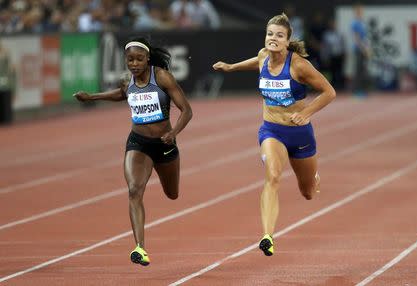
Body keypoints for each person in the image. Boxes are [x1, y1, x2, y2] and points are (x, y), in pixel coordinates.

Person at [212, 13, 336, 256]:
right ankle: (267, 235)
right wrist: (231, 67)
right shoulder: (262, 56)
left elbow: (329, 92)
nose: (273, 39)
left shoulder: (298, 65)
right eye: (270, 34)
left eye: (279, 35)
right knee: (273, 177)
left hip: (300, 134)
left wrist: (308, 113)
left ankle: (313, 178)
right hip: (271, 130)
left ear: (287, 41)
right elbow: (254, 61)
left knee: (308, 192)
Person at [73, 37, 193, 266]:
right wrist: (92, 97)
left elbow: (186, 110)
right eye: (130, 60)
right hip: (138, 143)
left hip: (165, 144)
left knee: (172, 194)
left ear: (147, 58)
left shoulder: (162, 77)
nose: (135, 64)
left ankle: (141, 243)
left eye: (139, 59)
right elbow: (121, 93)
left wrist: (174, 131)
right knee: (134, 190)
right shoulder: (128, 79)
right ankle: (140, 247)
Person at [351, 3, 371, 97]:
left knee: (363, 70)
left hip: (364, 49)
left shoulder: (362, 23)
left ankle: (362, 90)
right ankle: (356, 91)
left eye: (361, 11)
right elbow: (357, 38)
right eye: (358, 11)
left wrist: (367, 48)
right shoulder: (354, 23)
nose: (360, 13)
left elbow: (365, 38)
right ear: (356, 12)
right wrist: (363, 49)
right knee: (358, 71)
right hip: (358, 49)